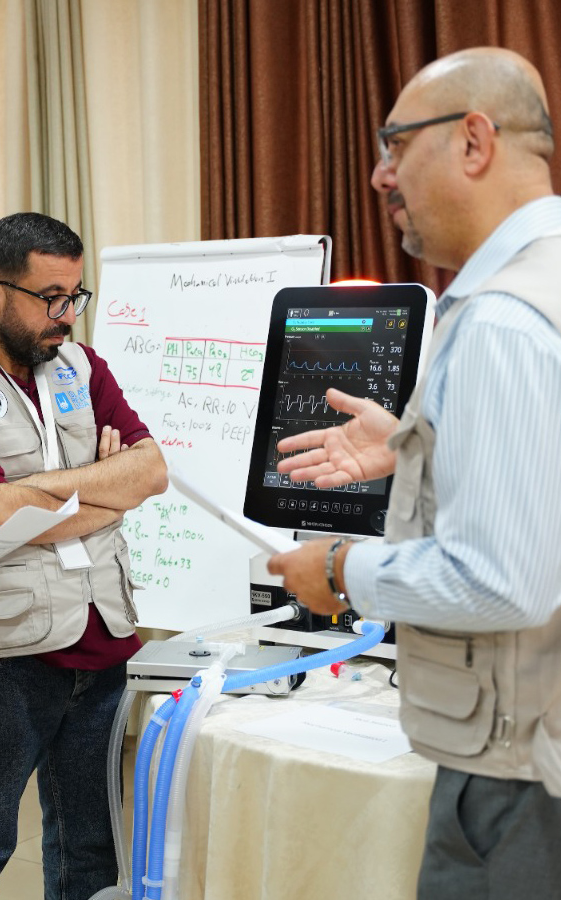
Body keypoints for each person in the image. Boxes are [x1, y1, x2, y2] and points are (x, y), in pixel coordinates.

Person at [267, 48, 561, 899]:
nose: (379, 172)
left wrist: (337, 570)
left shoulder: (505, 319)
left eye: (397, 143)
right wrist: (413, 451)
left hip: (517, 775)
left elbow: (503, 581)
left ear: (474, 141)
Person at [0, 211, 168, 900]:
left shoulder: (79, 365)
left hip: (102, 634)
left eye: (75, 296)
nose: (67, 316)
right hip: (1, 656)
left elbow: (152, 471)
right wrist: (98, 493)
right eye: (51, 298)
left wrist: (36, 492)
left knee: (92, 848)